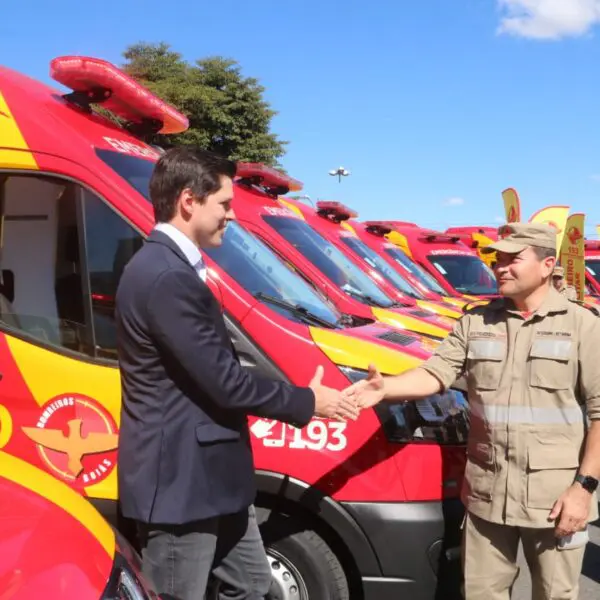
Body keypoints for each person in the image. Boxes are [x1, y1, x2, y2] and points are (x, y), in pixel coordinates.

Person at [115, 147, 359, 600]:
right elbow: (224, 381)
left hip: (213, 480)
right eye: (224, 204)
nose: (231, 216)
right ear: (189, 201)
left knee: (249, 585)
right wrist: (309, 402)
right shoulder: (166, 276)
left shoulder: (177, 270)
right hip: (181, 486)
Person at [344, 222, 600, 600]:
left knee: (555, 595)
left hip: (555, 500)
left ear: (547, 265)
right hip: (487, 495)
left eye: (514, 259)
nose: (500, 267)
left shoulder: (582, 327)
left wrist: (584, 489)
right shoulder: (476, 322)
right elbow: (434, 373)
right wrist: (387, 388)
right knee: (481, 594)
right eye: (498, 259)